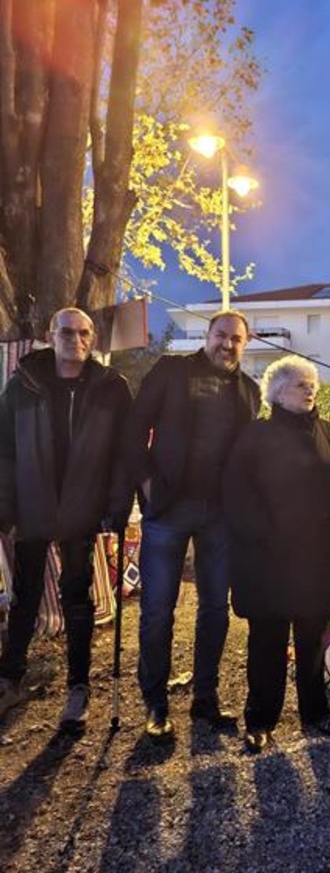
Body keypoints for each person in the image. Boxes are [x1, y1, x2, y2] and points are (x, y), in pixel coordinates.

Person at [125, 310, 260, 740]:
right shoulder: (171, 371)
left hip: (220, 513)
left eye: (236, 339)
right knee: (157, 610)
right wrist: (146, 484)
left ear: (247, 341)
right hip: (168, 506)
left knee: (215, 609)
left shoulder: (250, 390)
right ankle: (156, 703)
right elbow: (133, 429)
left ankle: (206, 698)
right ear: (207, 335)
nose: (228, 344)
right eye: (221, 335)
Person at [223, 355, 330, 754]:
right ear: (276, 392)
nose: (311, 390)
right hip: (269, 558)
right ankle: (261, 719)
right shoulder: (254, 436)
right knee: (267, 640)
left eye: (313, 383)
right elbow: (237, 492)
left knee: (313, 641)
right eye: (301, 384)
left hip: (320, 558)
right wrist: (262, 534)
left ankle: (315, 713)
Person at [0, 307, 132, 731]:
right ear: (50, 335)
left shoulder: (111, 387)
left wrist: (117, 506)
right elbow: (3, 452)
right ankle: (10, 677)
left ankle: (79, 687)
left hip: (82, 506)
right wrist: (5, 506)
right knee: (24, 595)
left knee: (78, 597)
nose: (75, 338)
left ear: (92, 338)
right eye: (66, 331)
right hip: (33, 504)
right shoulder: (22, 385)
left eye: (83, 332)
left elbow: (122, 455)